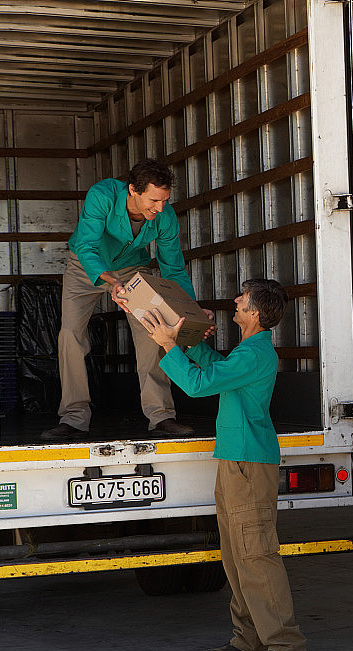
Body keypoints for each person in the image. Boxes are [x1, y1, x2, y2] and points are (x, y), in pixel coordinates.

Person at [141, 278, 308, 651]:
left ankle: (285, 644)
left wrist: (169, 345)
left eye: (242, 299)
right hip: (235, 460)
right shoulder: (247, 351)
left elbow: (200, 385)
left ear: (254, 313)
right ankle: (249, 639)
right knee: (235, 555)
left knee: (256, 554)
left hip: (248, 463)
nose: (235, 300)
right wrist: (193, 344)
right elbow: (218, 371)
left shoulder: (255, 353)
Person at [42, 158, 213, 441]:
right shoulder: (102, 195)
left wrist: (190, 311)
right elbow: (86, 244)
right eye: (154, 201)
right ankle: (74, 417)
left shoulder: (165, 216)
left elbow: (173, 270)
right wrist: (108, 280)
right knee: (70, 335)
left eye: (165, 200)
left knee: (153, 333)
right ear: (133, 189)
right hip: (86, 266)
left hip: (133, 269)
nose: (160, 208)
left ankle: (161, 416)